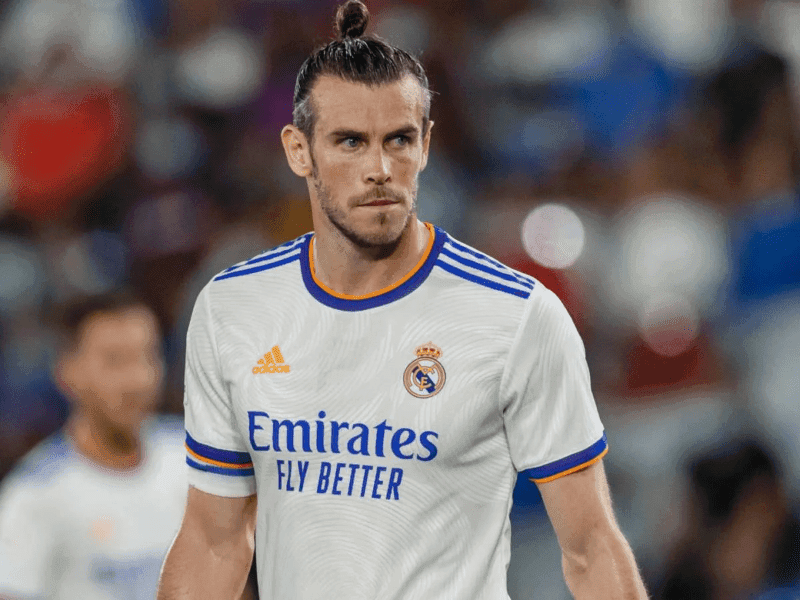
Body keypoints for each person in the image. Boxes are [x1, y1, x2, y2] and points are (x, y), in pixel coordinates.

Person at [158, 2, 648, 598]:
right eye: (349, 142)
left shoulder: (517, 316)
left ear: (426, 146)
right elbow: (215, 541)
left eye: (399, 140)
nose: (380, 169)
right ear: (298, 150)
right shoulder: (232, 309)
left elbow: (591, 545)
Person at [0, 291, 187, 600]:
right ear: (67, 372)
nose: (139, 379)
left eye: (149, 356)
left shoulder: (192, 459)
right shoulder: (34, 496)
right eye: (115, 362)